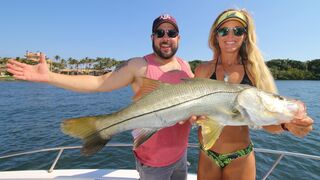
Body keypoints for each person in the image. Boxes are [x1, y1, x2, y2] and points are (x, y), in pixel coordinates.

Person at [7, 14, 195, 180]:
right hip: (153, 164)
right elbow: (98, 83)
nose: (165, 38)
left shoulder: (185, 66)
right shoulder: (138, 65)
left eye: (171, 34)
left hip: (181, 154)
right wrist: (49, 77)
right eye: (160, 33)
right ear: (152, 37)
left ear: (178, 38)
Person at [194, 9, 314, 180]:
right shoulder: (202, 69)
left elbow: (266, 122)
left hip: (240, 158)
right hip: (206, 155)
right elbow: (195, 114)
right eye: (223, 30)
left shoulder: (254, 71)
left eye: (238, 30)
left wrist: (287, 125)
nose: (230, 36)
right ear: (215, 36)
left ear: (245, 35)